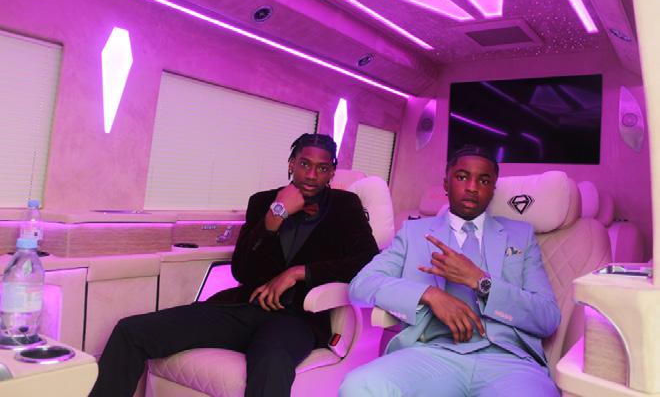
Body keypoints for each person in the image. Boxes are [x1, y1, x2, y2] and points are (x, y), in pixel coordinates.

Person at [89, 133, 379, 397]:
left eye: (322, 168)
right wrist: (275, 216)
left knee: (272, 362)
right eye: (305, 164)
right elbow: (242, 270)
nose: (312, 175)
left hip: (297, 318)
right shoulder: (263, 202)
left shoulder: (345, 206)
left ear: (332, 172)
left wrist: (298, 273)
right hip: (243, 308)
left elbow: (369, 260)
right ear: (291, 164)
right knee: (131, 331)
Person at [340, 145, 561, 396]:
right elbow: (361, 285)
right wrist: (429, 295)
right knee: (359, 386)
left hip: (508, 360)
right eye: (462, 177)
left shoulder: (521, 236)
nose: (472, 187)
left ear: (492, 189)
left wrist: (481, 281)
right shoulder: (413, 233)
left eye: (484, 180)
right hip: (432, 354)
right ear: (446, 183)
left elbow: (548, 318)